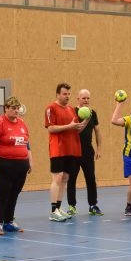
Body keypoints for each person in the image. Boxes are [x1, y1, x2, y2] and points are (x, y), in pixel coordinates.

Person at [0, 96, 33, 235]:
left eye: (18, 108)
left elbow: (26, 144)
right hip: (3, 166)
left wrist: (30, 162)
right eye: (13, 108)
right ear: (6, 108)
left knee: (14, 194)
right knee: (1, 195)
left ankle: (9, 222)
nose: (16, 111)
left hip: (21, 166)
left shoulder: (22, 124)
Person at [45, 82, 86, 222]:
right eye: (64, 94)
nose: (67, 96)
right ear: (57, 94)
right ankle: (53, 211)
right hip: (58, 149)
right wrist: (69, 126)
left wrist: (86, 120)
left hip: (71, 149)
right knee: (57, 177)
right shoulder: (51, 108)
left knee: (65, 178)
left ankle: (58, 208)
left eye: (69, 94)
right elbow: (50, 128)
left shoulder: (71, 109)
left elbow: (77, 129)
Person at [67, 89, 103, 216]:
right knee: (72, 179)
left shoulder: (93, 113)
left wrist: (99, 149)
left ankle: (93, 205)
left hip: (87, 151)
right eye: (83, 98)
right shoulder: (72, 112)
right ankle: (71, 206)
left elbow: (97, 131)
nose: (86, 100)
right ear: (78, 99)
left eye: (88, 98)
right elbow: (74, 131)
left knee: (91, 178)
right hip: (73, 151)